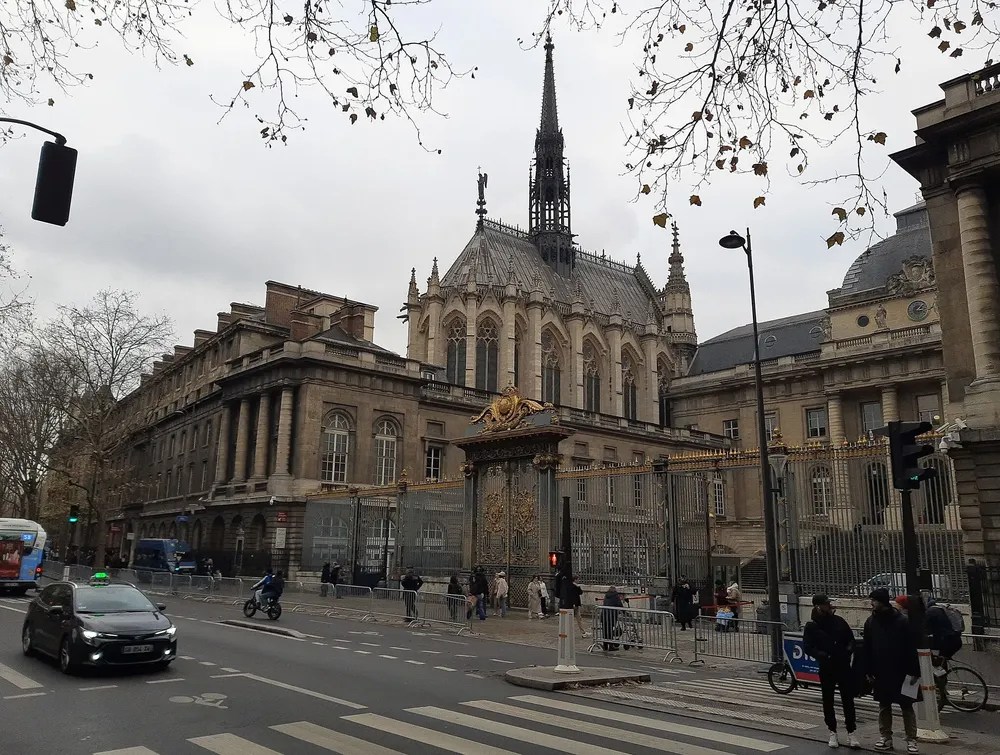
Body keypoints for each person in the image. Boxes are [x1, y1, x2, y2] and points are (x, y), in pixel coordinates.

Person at [864, 588, 920, 753]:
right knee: (884, 705)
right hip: (881, 670)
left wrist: (914, 671)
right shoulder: (871, 622)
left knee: (906, 706)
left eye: (874, 600)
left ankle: (911, 739)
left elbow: (910, 647)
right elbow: (867, 647)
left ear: (882, 601)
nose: (871, 603)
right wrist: (868, 669)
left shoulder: (902, 621)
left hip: (901, 669)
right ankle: (886, 737)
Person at [803, 595, 861, 750]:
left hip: (842, 665)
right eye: (826, 604)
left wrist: (848, 651)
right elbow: (808, 647)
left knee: (847, 699)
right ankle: (832, 731)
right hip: (827, 666)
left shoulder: (839, 621)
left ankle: (851, 730)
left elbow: (851, 639)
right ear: (818, 607)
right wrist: (823, 656)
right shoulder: (812, 626)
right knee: (828, 699)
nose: (830, 606)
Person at [896, 594, 962, 710]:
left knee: (919, 675)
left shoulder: (911, 618)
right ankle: (940, 687)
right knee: (936, 666)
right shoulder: (933, 611)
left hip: (923, 653)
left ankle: (931, 692)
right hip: (951, 641)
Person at [601, 586, 626, 651]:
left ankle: (605, 645)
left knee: (605, 630)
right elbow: (619, 605)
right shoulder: (615, 596)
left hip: (604, 615)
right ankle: (611, 646)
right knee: (609, 631)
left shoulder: (606, 595)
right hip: (611, 615)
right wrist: (625, 612)